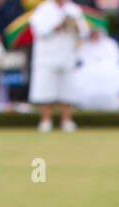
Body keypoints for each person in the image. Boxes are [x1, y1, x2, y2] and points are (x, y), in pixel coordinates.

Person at [29, 0, 89, 131]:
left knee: (68, 91)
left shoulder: (74, 9)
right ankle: (46, 121)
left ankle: (67, 121)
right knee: (45, 91)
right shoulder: (43, 9)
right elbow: (39, 31)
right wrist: (58, 26)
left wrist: (74, 26)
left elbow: (84, 32)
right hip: (47, 57)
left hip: (68, 55)